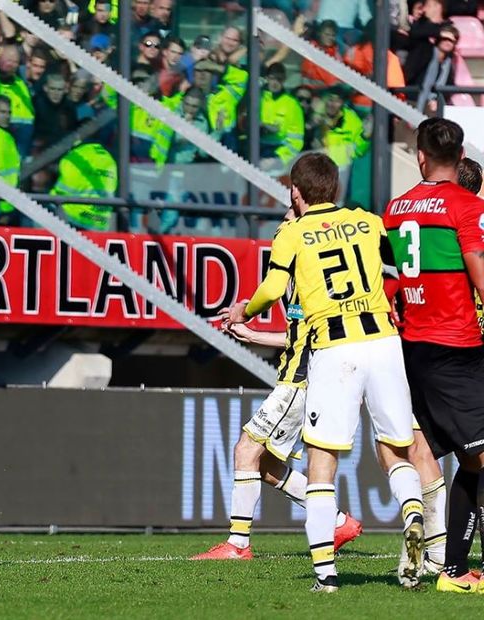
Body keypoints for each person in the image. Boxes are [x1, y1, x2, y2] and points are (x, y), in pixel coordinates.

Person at [227, 153, 425, 592]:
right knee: (396, 450)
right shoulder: (369, 221)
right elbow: (403, 267)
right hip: (384, 341)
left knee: (322, 463)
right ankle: (413, 517)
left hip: (335, 349)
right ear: (335, 189)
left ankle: (326, 576)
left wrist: (246, 308)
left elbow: (275, 288)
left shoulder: (292, 233)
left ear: (295, 192)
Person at [191, 206, 363, 561]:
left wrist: (249, 320)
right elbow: (296, 332)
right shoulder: (298, 273)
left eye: (287, 220)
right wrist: (252, 332)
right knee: (265, 464)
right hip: (298, 374)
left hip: (299, 379)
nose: (281, 227)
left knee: (245, 449)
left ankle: (238, 545)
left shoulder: (305, 272)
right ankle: (338, 521)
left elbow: (309, 336)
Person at [383, 119, 484, 593]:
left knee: (463, 459)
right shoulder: (467, 205)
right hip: (456, 346)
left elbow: (390, 286)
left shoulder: (395, 208)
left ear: (420, 155)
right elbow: (479, 272)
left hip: (413, 346)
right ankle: (454, 569)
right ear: (460, 157)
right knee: (479, 457)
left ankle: (456, 568)